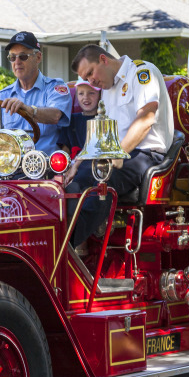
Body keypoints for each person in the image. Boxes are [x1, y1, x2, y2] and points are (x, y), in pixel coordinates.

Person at [66, 44, 173, 249]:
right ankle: (67, 243)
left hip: (146, 154)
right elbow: (101, 135)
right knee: (70, 184)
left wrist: (118, 154)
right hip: (116, 155)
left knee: (102, 182)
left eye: (90, 73)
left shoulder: (142, 73)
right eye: (86, 79)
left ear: (104, 60)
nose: (91, 81)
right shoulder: (107, 89)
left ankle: (66, 247)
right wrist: (76, 163)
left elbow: (146, 119)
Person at [0, 31, 72, 154]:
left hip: (45, 167)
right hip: (10, 168)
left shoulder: (55, 88)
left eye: (23, 56)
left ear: (38, 57)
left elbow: (56, 115)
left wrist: (28, 110)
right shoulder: (3, 95)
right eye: (12, 57)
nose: (17, 62)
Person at [64, 79, 101, 158]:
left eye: (91, 93)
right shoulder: (71, 120)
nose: (85, 97)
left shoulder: (104, 121)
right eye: (81, 93)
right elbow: (65, 150)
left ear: (100, 95)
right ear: (76, 96)